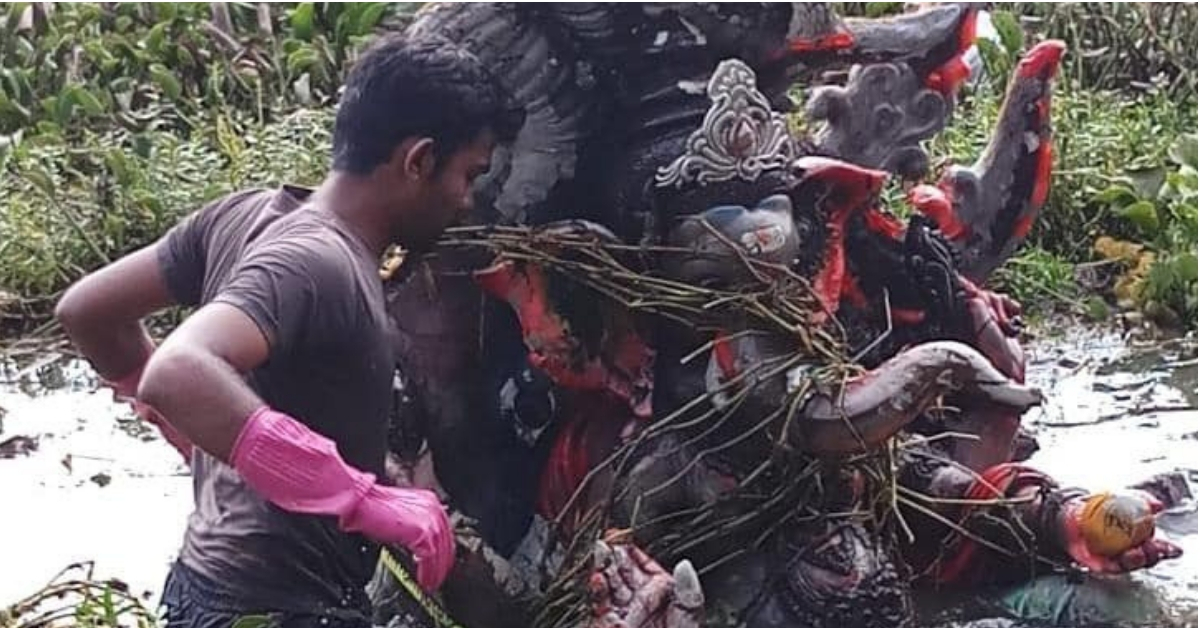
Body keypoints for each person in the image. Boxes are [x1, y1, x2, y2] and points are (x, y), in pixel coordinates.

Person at [54, 33, 514, 627]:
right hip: (275, 608)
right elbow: (179, 369)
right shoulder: (320, 263)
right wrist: (360, 498)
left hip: (205, 585)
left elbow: (87, 310)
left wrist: (215, 430)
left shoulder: (242, 214)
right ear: (418, 160)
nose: (467, 201)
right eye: (468, 175)